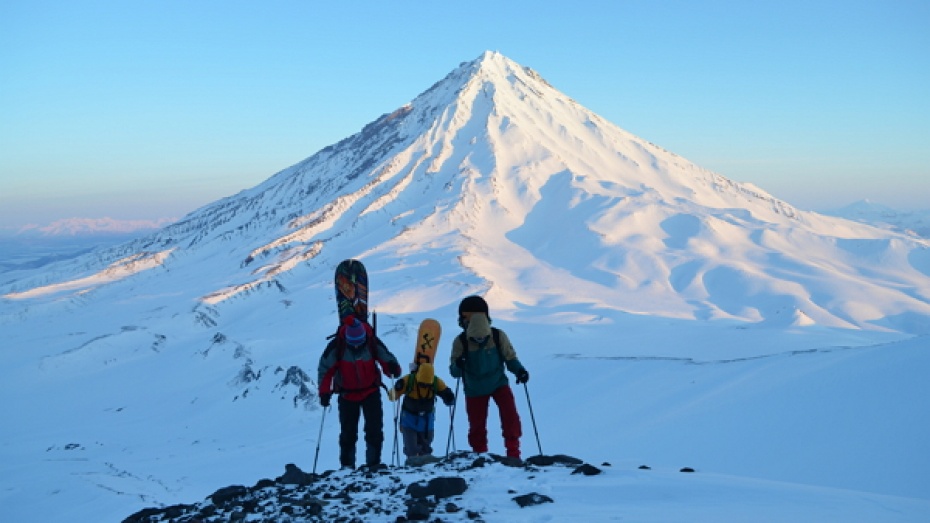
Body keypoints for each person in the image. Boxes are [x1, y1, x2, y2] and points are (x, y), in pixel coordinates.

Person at [448, 296, 529, 463]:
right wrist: (519, 371)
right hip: (498, 383)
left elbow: (454, 372)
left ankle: (481, 457)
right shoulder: (498, 336)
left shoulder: (461, 341)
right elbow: (510, 358)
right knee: (510, 417)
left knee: (477, 425)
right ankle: (513, 454)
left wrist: (459, 364)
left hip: (474, 388)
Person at [318, 317, 402, 470]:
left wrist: (393, 368)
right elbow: (325, 369)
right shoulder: (338, 346)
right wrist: (324, 392)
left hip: (370, 391)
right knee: (348, 433)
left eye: (359, 342)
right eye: (353, 343)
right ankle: (348, 466)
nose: (356, 346)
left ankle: (373, 463)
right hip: (348, 394)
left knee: (374, 430)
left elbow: (387, 358)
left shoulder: (371, 341)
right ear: (347, 339)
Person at [389, 362, 455, 466]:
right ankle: (413, 469)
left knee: (426, 448)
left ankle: (425, 469)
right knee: (411, 449)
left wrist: (449, 396)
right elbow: (392, 396)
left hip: (426, 421)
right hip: (409, 420)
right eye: (421, 384)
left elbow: (446, 393)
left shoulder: (436, 382)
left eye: (426, 385)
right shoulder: (408, 380)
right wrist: (397, 388)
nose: (424, 386)